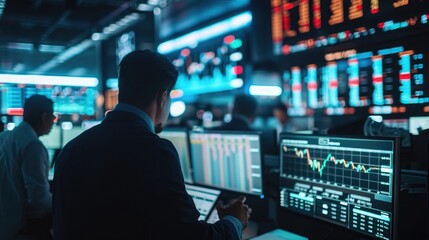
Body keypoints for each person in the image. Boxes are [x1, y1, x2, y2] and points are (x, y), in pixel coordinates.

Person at [53, 50, 251, 239]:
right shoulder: (155, 152)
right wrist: (233, 221)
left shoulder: (72, 149)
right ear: (163, 97)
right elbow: (191, 236)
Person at [0, 94, 55, 240]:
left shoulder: (5, 137)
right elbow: (39, 199)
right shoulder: (33, 146)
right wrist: (66, 202)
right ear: (44, 117)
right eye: (53, 117)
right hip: (22, 230)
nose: (53, 122)